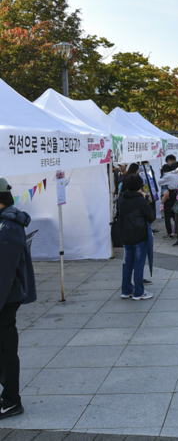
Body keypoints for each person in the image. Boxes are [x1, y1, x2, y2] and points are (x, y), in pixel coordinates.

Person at [0, 177, 36, 420]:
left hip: (5, 298)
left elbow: (5, 271)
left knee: (6, 350)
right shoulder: (7, 222)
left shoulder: (8, 226)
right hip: (6, 295)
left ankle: (12, 400)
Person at [119, 174, 156, 300]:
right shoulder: (140, 200)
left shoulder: (122, 199)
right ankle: (139, 292)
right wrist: (145, 200)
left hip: (126, 235)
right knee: (139, 264)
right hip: (140, 235)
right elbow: (151, 216)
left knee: (128, 263)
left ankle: (126, 290)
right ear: (139, 186)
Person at [159, 164, 178, 239]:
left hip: (169, 194)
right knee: (176, 215)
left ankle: (169, 233)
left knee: (167, 216)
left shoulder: (168, 175)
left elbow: (160, 182)